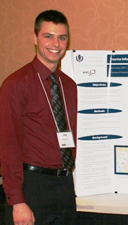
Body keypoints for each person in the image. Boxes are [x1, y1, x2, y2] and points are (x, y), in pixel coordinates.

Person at [0, 10, 77, 225]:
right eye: (48, 36)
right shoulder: (15, 85)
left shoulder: (69, 86)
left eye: (62, 37)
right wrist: (17, 201)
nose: (56, 43)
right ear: (35, 39)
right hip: (33, 187)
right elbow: (8, 145)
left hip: (65, 185)